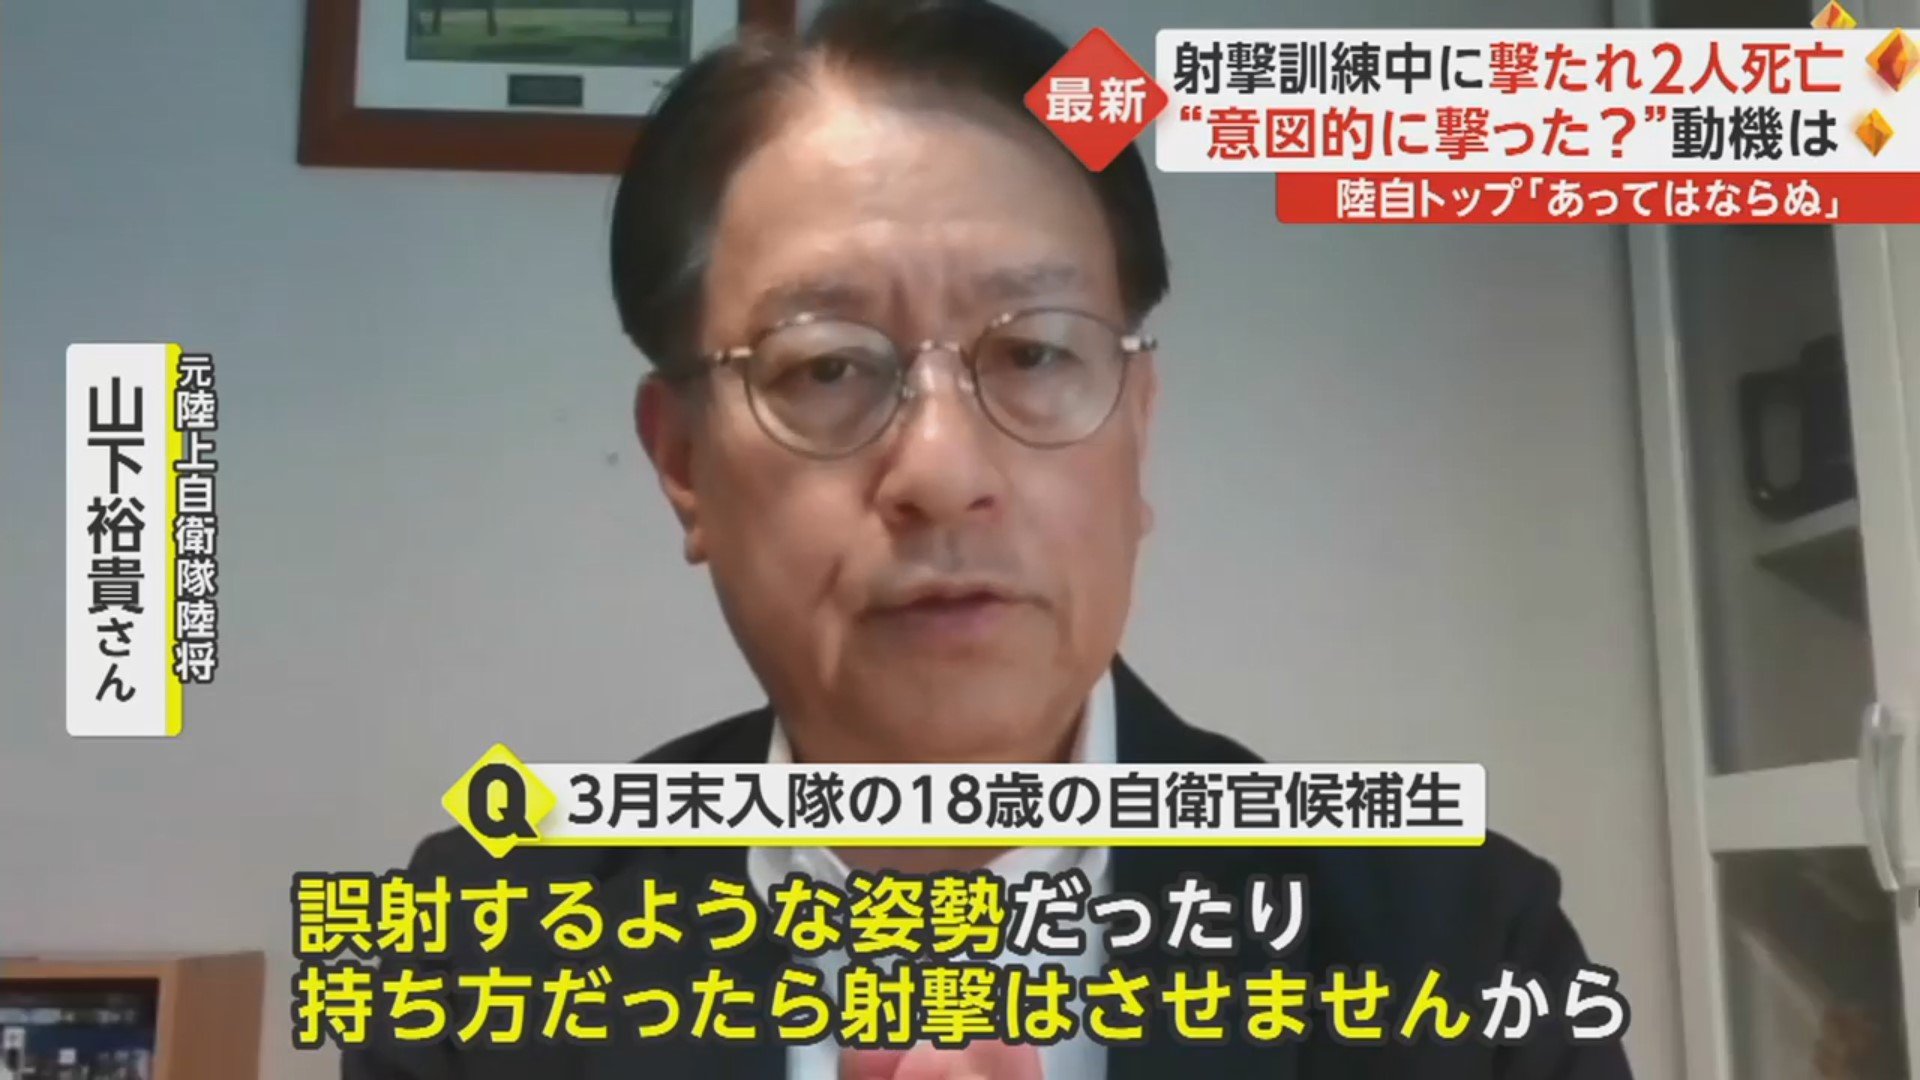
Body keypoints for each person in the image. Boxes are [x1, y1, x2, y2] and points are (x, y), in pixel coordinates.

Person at [343, 1, 1634, 1077]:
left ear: (1138, 426)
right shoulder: (465, 956)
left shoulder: (1463, 953)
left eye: (1034, 353)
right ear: (683, 464)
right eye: (827, 367)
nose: (943, 474)